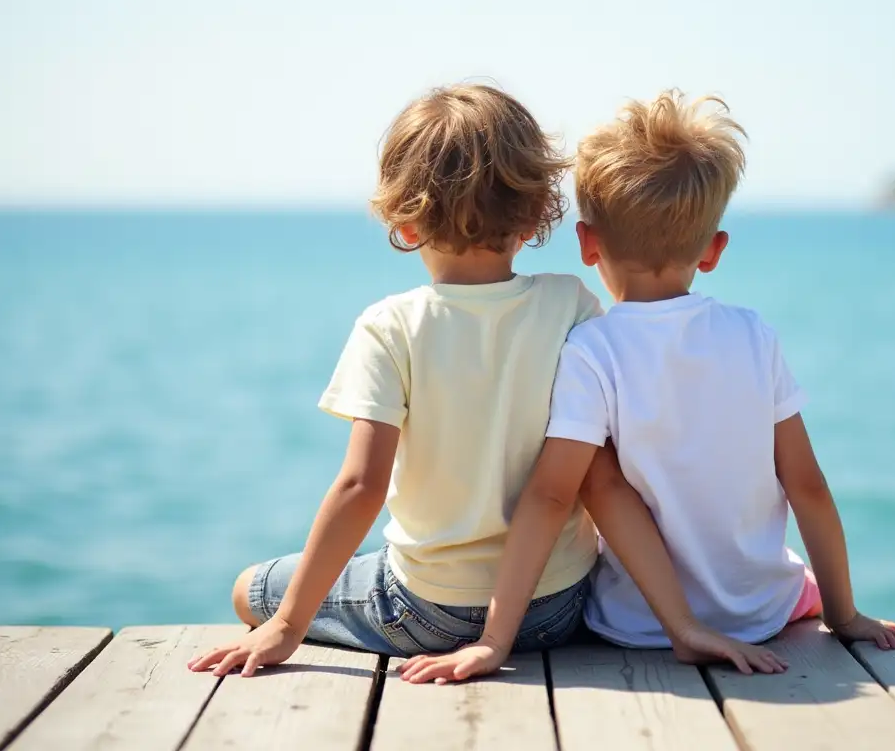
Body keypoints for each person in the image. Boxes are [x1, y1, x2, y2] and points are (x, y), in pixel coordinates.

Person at [189, 83, 773, 678]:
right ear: (534, 212)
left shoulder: (390, 327)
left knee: (249, 589)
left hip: (427, 611)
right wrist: (684, 625)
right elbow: (603, 483)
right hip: (558, 607)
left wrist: (288, 627)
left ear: (406, 221)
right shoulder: (569, 303)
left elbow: (360, 487)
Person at [398, 90, 895, 685]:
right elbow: (807, 486)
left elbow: (554, 496)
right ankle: (811, 600)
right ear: (713, 250)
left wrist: (494, 640)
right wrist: (844, 616)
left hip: (636, 624)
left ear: (588, 245)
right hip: (762, 614)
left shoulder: (592, 350)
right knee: (797, 582)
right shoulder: (753, 335)